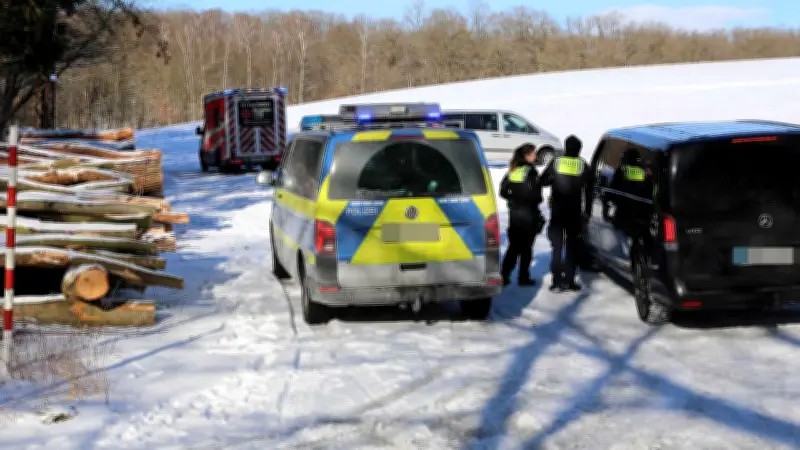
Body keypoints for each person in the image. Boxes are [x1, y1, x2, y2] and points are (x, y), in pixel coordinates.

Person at [539, 135, 590, 292]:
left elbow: (543, 181)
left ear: (566, 147)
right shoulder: (583, 164)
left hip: (558, 211)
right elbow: (589, 189)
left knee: (557, 246)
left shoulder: (556, 162)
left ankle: (556, 280)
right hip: (574, 212)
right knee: (572, 246)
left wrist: (553, 180)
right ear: (579, 149)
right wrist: (587, 211)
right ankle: (569, 280)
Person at [499, 144, 545, 286]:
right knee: (526, 248)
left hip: (514, 214)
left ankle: (504, 275)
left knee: (513, 247)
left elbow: (503, 191)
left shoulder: (513, 170)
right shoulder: (531, 171)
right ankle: (523, 277)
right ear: (526, 156)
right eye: (533, 153)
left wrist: (513, 200)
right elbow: (536, 195)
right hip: (529, 215)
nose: (536, 156)